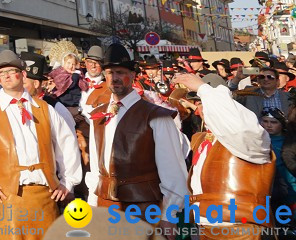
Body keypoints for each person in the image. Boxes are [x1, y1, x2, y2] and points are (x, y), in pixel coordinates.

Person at [0, 50, 81, 236]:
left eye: (10, 71)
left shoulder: (45, 109)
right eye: (1, 73)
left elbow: (67, 145)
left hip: (45, 196)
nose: (5, 76)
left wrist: (67, 181)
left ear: (23, 74)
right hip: (8, 197)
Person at [87, 44, 188, 227]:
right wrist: (92, 205)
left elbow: (173, 172)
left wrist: (169, 217)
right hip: (105, 206)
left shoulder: (156, 116)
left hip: (143, 208)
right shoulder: (98, 115)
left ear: (133, 75)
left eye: (119, 72)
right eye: (109, 73)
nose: (114, 78)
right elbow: (96, 169)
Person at [173, 72, 273, 238]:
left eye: (204, 103)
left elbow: (240, 128)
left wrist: (203, 89)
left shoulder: (246, 136)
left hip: (237, 228)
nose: (200, 110)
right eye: (198, 104)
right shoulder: (203, 138)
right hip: (205, 225)